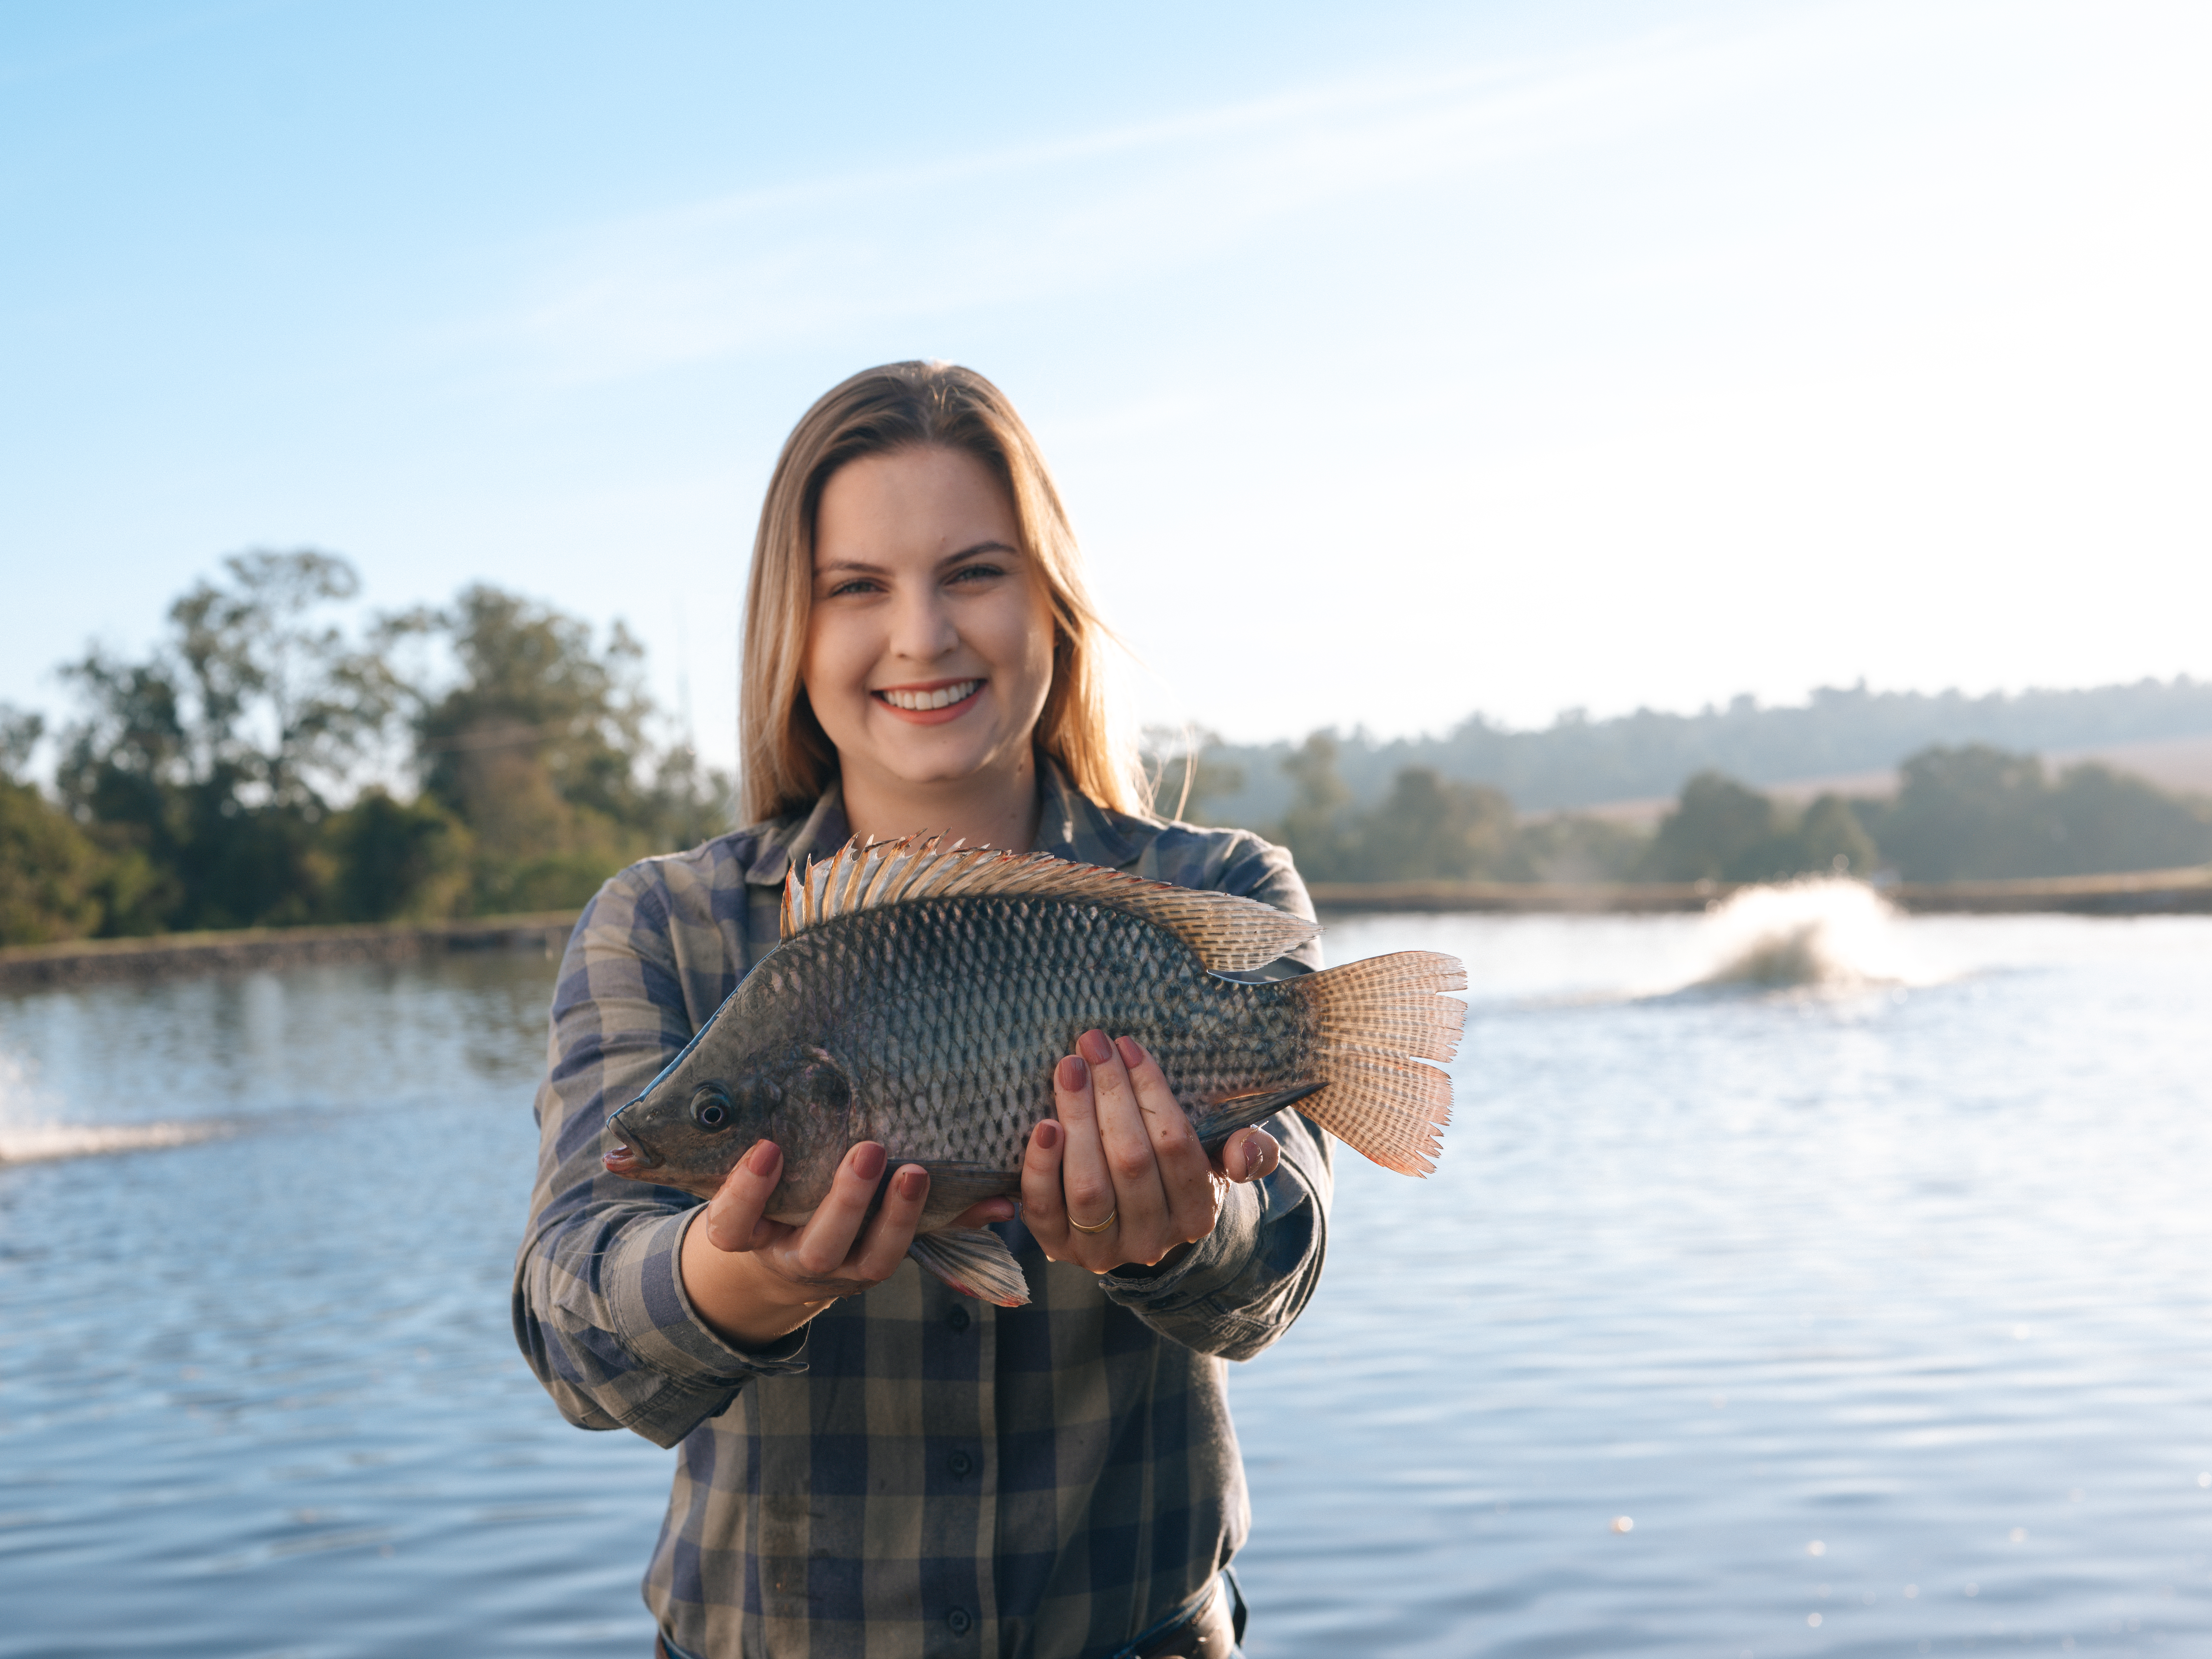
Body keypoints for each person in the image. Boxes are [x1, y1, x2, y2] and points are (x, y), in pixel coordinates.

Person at [514, 361, 1330, 1659]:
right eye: (857, 589)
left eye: (975, 573)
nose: (921, 636)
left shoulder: (1210, 889)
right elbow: (573, 1326)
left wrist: (1188, 1229)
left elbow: (1276, 1267)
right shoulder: (665, 927)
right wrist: (742, 1281)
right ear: (794, 628)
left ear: (1053, 599)